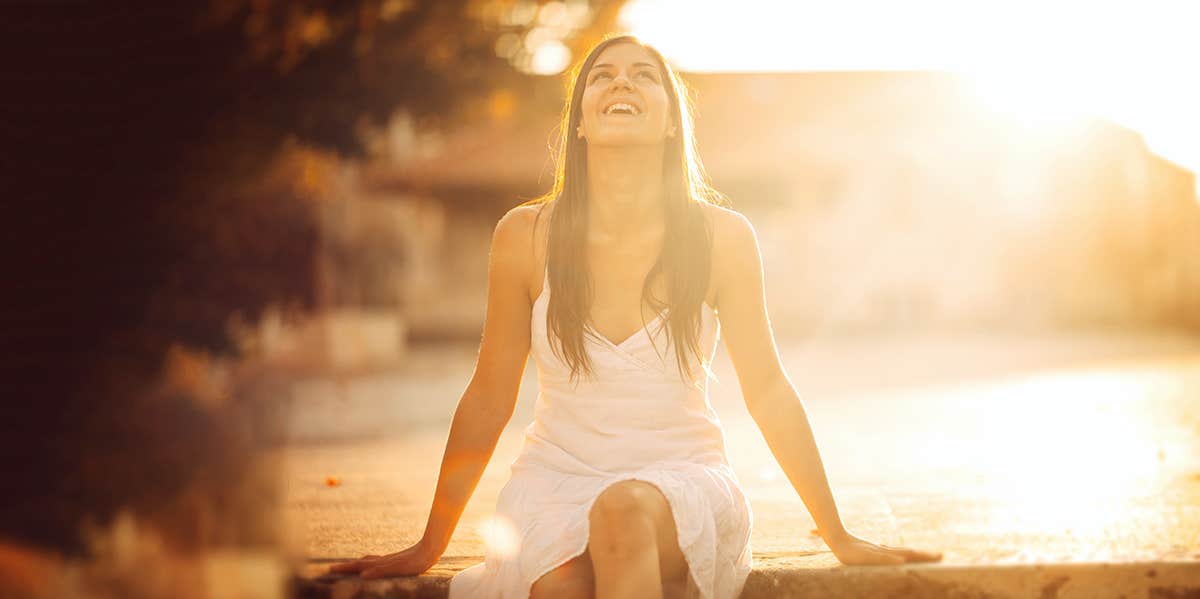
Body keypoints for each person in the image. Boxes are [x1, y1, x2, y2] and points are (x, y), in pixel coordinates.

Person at [330, 34, 943, 598]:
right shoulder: (524, 235)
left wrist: (836, 533)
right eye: (602, 76)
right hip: (553, 482)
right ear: (579, 125)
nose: (620, 83)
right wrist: (428, 545)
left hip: (683, 482)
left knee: (620, 512)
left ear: (672, 121)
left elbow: (769, 390)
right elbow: (489, 395)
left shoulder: (721, 238)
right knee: (561, 586)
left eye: (643, 75)